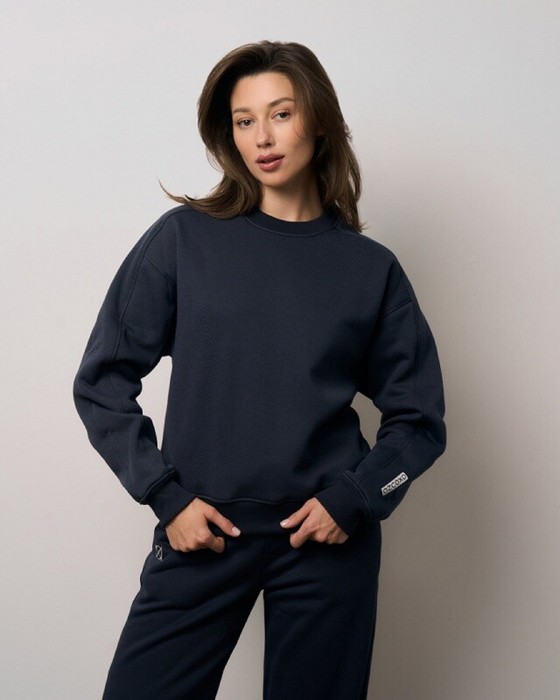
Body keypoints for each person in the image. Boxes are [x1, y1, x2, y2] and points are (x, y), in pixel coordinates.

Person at [73, 39, 446, 700]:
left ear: (319, 121)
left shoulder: (370, 270)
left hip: (326, 542)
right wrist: (166, 496)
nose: (262, 138)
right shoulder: (185, 240)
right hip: (202, 532)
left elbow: (419, 421)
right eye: (244, 121)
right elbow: (102, 381)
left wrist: (355, 498)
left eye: (280, 114)